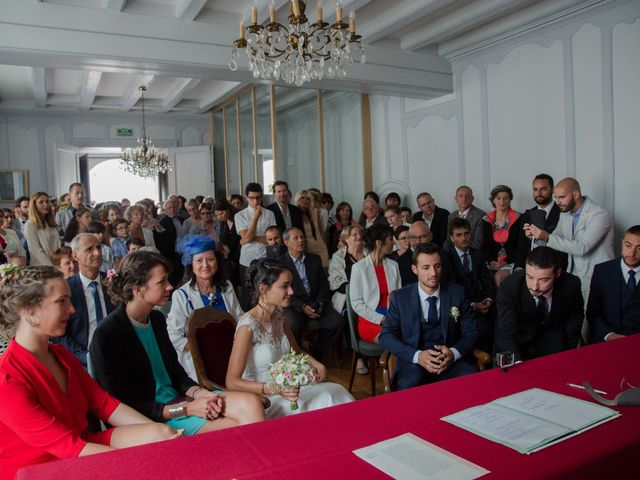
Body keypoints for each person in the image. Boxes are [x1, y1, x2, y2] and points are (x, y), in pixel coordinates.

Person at [0, 265, 182, 479]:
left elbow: (105, 405)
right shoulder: (7, 378)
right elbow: (68, 447)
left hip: (81, 447)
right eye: (62, 301)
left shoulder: (60, 355)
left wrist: (163, 438)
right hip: (40, 469)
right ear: (29, 311)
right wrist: (137, 465)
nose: (72, 309)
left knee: (163, 434)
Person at [89, 250, 265, 437]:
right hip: (153, 417)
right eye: (161, 281)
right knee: (235, 426)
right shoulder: (107, 335)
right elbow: (121, 407)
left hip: (182, 400)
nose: (170, 286)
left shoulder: (156, 319)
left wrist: (200, 394)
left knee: (251, 404)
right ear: (137, 289)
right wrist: (187, 409)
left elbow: (175, 373)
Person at [225, 258, 354, 418]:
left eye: (290, 285)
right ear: (263, 289)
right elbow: (231, 381)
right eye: (284, 286)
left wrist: (317, 364)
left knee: (337, 392)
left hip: (290, 390)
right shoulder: (247, 326)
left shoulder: (280, 316)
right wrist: (273, 388)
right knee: (326, 399)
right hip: (265, 399)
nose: (291, 292)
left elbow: (297, 351)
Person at [379, 243, 478, 391]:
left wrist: (453, 353)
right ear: (415, 269)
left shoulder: (457, 293)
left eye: (437, 266)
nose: (433, 273)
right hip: (414, 364)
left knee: (473, 378)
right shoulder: (400, 298)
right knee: (409, 383)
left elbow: (472, 332)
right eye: (426, 268)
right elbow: (385, 336)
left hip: (450, 362)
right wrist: (417, 356)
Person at [523, 177, 614, 309]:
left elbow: (582, 247)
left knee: (592, 321)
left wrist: (546, 237)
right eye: (556, 197)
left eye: (562, 197)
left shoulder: (600, 215)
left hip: (596, 278)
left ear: (576, 195)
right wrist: (536, 236)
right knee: (575, 319)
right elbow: (556, 239)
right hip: (573, 277)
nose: (557, 202)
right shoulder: (565, 213)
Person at [167, 235, 244, 381]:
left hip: (233, 353)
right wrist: (200, 349)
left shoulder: (226, 286)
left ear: (217, 261)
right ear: (191, 264)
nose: (205, 265)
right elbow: (174, 335)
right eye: (199, 261)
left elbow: (240, 318)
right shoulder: (182, 295)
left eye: (210, 259)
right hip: (203, 362)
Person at [494, 246, 583, 362]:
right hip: (517, 342)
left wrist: (569, 352)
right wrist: (517, 363)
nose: (534, 287)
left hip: (553, 339)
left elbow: (575, 319)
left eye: (544, 280)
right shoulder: (509, 287)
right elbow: (506, 332)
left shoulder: (571, 284)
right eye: (530, 277)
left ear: (557, 274)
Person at [279, 227, 343, 362]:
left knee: (337, 322)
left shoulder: (314, 259)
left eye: (302, 237)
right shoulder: (281, 263)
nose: (301, 240)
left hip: (315, 301)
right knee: (292, 324)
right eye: (295, 238)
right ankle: (296, 358)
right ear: (286, 242)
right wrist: (302, 307)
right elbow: (283, 292)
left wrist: (319, 303)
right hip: (294, 304)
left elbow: (323, 284)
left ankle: (316, 351)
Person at [52, 234, 115, 368]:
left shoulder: (113, 284)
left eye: (98, 247)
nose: (97, 253)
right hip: (82, 362)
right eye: (89, 249)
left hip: (116, 356)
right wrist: (86, 357)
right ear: (75, 256)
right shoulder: (67, 289)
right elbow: (59, 335)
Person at [446, 218, 496, 353]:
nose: (464, 238)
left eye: (467, 233)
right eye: (459, 235)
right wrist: (473, 305)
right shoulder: (447, 258)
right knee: (484, 330)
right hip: (461, 307)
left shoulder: (477, 254)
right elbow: (452, 291)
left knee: (502, 321)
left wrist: (488, 299)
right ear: (452, 238)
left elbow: (487, 281)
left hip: (483, 303)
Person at [587, 225, 640, 343]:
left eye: (639, 248)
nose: (632, 253)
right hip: (607, 340)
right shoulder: (602, 271)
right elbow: (592, 312)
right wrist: (609, 335)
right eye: (628, 246)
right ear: (622, 243)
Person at [349, 225, 401, 344]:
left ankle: (388, 360)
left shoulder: (393, 265)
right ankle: (388, 361)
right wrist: (381, 319)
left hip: (392, 315)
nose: (393, 242)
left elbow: (399, 295)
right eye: (390, 239)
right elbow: (356, 303)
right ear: (379, 243)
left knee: (408, 333)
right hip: (370, 318)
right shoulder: (359, 268)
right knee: (393, 339)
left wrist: (395, 317)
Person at [236, 183, 277, 308]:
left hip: (266, 258)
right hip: (247, 260)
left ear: (262, 197)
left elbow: (271, 239)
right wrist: (255, 218)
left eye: (258, 197)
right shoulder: (240, 215)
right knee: (249, 295)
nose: (255, 201)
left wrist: (248, 238)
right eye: (252, 197)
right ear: (246, 198)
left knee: (267, 292)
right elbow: (247, 238)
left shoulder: (270, 214)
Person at [516, 174, 566, 269]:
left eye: (543, 189)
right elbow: (521, 247)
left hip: (558, 267)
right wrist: (518, 268)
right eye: (535, 189)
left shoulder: (564, 213)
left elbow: (567, 245)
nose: (538, 193)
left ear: (552, 190)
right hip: (531, 268)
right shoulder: (526, 215)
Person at [480, 185, 521, 286]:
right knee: (481, 274)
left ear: (510, 200)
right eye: (498, 198)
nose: (502, 202)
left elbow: (521, 245)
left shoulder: (518, 218)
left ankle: (501, 302)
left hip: (512, 261)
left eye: (505, 198)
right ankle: (488, 300)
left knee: (499, 277)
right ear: (493, 200)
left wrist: (507, 261)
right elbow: (485, 245)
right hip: (492, 261)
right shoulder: (486, 219)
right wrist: (491, 262)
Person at [328, 224, 366, 317]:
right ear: (346, 239)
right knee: (349, 315)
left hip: (370, 294)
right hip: (347, 296)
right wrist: (357, 292)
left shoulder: (369, 253)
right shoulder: (338, 256)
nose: (359, 236)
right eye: (355, 235)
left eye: (360, 233)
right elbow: (337, 281)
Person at [23, 191, 61, 266]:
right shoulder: (30, 224)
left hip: (56, 263)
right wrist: (51, 266)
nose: (46, 204)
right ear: (34, 205)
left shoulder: (51, 223)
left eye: (47, 201)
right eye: (41, 202)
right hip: (41, 266)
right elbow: (36, 251)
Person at [444, 186, 486, 251]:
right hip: (453, 255)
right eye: (461, 196)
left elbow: (478, 242)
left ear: (472, 199)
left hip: (472, 254)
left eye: (467, 196)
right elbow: (449, 239)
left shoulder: (480, 215)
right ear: (456, 199)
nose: (464, 199)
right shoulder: (451, 216)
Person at [295, 190, 329, 267]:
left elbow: (321, 230)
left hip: (320, 246)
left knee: (325, 271)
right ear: (298, 199)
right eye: (302, 198)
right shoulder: (294, 212)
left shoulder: (314, 212)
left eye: (308, 198)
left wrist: (324, 244)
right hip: (306, 248)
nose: (305, 200)